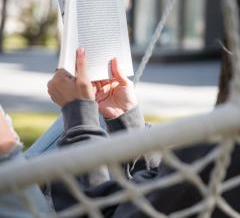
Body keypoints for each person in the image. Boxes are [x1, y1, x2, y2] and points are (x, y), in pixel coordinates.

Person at [1, 47, 240, 217]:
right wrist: (125, 117)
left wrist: (79, 116)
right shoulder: (221, 159)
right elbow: (156, 195)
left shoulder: (220, 159)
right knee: (104, 122)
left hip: (74, 203)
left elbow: (93, 209)